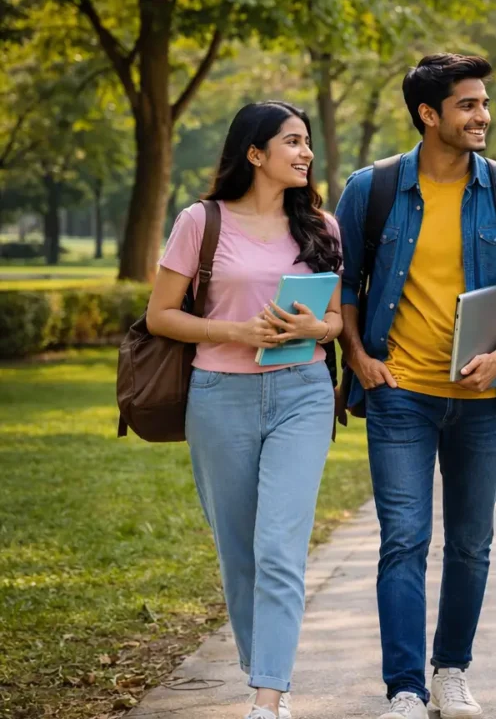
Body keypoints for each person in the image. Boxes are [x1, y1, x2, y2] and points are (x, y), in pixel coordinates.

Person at [333, 54, 496, 719]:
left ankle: (451, 671)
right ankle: (405, 686)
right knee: (403, 538)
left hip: (484, 397)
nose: (482, 115)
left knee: (470, 542)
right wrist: (358, 357)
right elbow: (345, 284)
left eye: (483, 103)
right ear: (429, 115)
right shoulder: (370, 190)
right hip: (399, 390)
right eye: (467, 105)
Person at [146, 101, 344, 719]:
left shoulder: (321, 226)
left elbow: (336, 320)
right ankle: (260, 670)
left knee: (280, 546)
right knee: (239, 552)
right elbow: (161, 315)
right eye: (292, 141)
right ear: (255, 153)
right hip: (219, 399)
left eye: (307, 141)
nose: (305, 153)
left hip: (302, 394)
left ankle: (268, 696)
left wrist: (319, 326)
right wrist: (237, 333)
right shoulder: (200, 222)